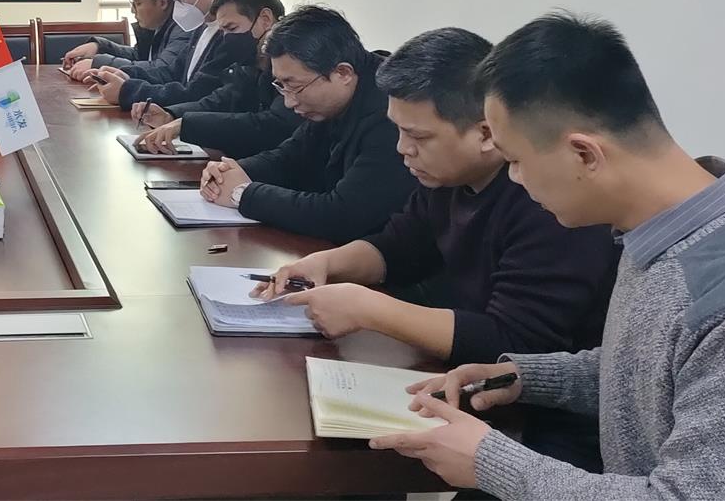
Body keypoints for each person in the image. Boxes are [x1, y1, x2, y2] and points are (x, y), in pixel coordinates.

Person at [372, 15, 725, 499]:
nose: (514, 179)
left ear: (584, 154)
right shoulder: (663, 228)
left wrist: (492, 464)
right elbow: (650, 372)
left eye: (515, 161)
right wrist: (527, 377)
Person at [262, 27, 618, 473]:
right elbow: (397, 245)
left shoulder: (547, 198)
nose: (402, 149)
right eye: (398, 130)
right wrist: (328, 263)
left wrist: (370, 310)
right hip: (481, 390)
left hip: (554, 428)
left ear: (486, 133)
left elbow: (515, 345)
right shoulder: (445, 178)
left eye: (419, 136)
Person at [200, 5, 412, 244]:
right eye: (281, 86)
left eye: (294, 86)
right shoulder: (331, 102)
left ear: (343, 73)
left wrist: (243, 194)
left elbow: (342, 215)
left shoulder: (394, 115)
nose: (289, 102)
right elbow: (289, 157)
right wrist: (230, 172)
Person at [134, 0, 303, 157]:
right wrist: (171, 115)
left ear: (265, 19)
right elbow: (224, 100)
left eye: (232, 28)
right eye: (223, 31)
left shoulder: (296, 58)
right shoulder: (249, 60)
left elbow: (271, 125)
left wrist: (187, 125)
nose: (227, 39)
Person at [88, 0, 252, 110]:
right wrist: (126, 74)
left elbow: (196, 93)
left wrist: (128, 91)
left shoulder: (232, 34)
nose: (177, 6)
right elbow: (171, 72)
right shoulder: (202, 26)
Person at [60, 0, 189, 81]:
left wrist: (98, 64)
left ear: (163, 2)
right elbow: (139, 56)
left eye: (137, 3)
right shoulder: (159, 25)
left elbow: (161, 70)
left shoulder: (184, 29)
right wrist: (99, 47)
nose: (133, 10)